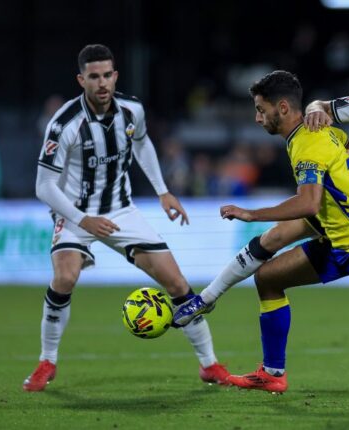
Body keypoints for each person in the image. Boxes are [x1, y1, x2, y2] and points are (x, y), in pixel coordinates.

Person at [174, 49, 349, 400]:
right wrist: (316, 112)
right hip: (339, 221)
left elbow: (314, 201)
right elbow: (324, 113)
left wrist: (252, 213)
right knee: (268, 276)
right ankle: (270, 371)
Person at [24, 44, 229, 392]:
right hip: (75, 212)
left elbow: (143, 143)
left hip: (121, 210)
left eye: (107, 75)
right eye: (94, 77)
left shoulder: (132, 110)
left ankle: (210, 365)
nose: (102, 83)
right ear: (81, 80)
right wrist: (82, 220)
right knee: (65, 277)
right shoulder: (64, 124)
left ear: (115, 76)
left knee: (177, 283)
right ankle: (47, 361)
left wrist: (163, 191)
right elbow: (43, 186)